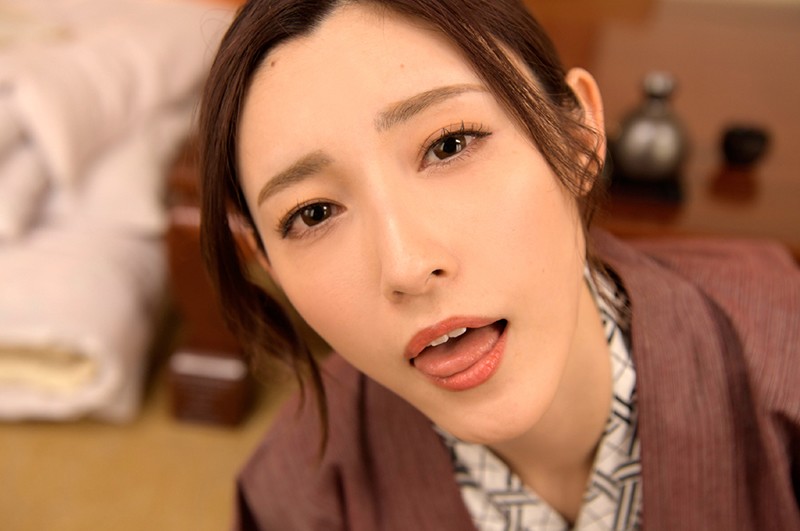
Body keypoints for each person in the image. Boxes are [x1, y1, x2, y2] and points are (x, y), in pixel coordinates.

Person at [198, 0, 800, 529]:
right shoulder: (294, 499)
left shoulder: (784, 353)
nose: (407, 265)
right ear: (269, 264)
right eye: (313, 213)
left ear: (579, 136)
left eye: (449, 145)